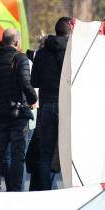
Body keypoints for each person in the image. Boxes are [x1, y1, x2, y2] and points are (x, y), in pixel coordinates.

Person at [0, 28, 37, 191]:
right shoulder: (21, 59)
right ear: (17, 42)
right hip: (17, 116)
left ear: (3, 40)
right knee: (17, 155)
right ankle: (15, 190)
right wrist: (33, 99)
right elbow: (26, 84)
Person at [30, 17, 72, 190]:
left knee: (45, 153)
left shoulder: (41, 53)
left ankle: (46, 191)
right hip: (67, 106)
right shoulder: (73, 52)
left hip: (47, 105)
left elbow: (34, 82)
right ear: (70, 31)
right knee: (69, 152)